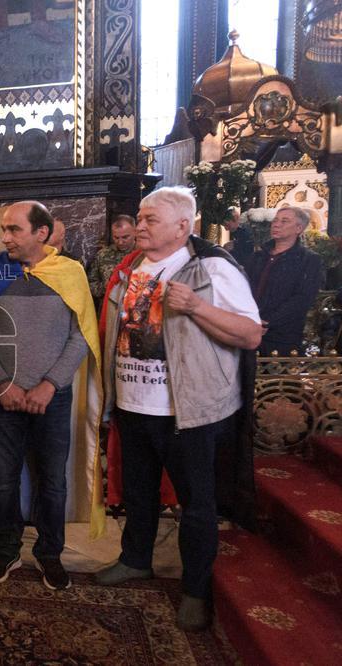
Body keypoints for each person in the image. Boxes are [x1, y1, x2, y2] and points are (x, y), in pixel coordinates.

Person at [95, 186, 263, 632]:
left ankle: (195, 590)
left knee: (197, 503)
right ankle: (135, 560)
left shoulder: (211, 268)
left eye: (151, 219)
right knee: (138, 493)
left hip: (187, 410)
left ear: (183, 226)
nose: (140, 225)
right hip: (133, 404)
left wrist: (197, 306)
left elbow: (250, 334)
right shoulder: (129, 266)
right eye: (140, 217)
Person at [0, 201, 97, 591]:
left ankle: (49, 554)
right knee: (4, 480)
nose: (4, 237)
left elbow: (81, 336)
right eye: (3, 230)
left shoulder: (69, 273)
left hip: (52, 398)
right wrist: (1, 384)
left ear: (40, 234)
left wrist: (49, 384)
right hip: (3, 399)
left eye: (13, 229)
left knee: (53, 482)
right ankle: (6, 549)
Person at [242, 206, 324, 355]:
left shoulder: (309, 260)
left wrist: (269, 321)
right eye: (275, 220)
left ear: (298, 228)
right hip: (247, 327)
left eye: (284, 221)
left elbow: (303, 298)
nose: (276, 224)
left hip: (282, 334)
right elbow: (242, 287)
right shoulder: (258, 256)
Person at [88, 214, 136, 306]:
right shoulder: (103, 254)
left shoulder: (143, 254)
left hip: (133, 309)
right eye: (116, 238)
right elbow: (90, 283)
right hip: (108, 309)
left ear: (135, 232)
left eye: (125, 237)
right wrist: (106, 287)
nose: (120, 242)